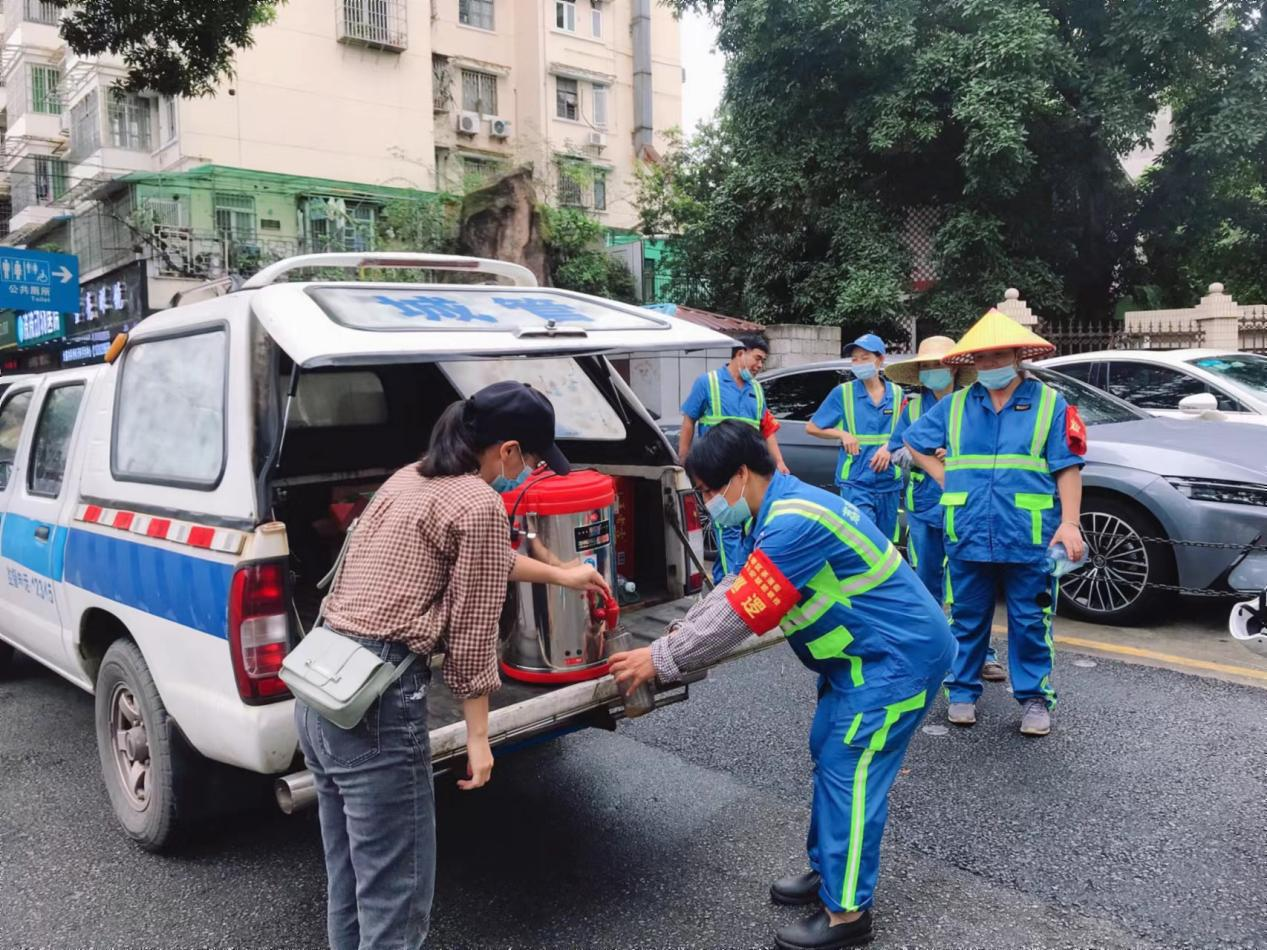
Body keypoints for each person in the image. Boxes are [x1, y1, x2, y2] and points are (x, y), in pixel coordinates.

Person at [609, 421, 955, 950]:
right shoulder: (774, 512)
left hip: (894, 659)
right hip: (856, 660)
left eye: (707, 491)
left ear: (742, 475)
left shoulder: (795, 522)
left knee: (849, 769)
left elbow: (743, 613)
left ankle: (848, 915)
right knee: (828, 753)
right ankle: (828, 871)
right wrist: (675, 636)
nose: (706, 504)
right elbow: (736, 586)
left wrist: (660, 659)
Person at [296, 380, 610, 950]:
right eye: (534, 458)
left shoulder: (409, 477)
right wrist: (480, 738)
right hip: (377, 703)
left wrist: (562, 574)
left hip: (322, 688)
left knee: (352, 884)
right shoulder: (479, 501)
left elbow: (481, 558)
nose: (532, 471)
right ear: (508, 449)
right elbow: (471, 635)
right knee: (395, 901)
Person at [903, 311, 1086, 736]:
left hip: (1031, 532)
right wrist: (943, 476)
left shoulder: (1050, 404)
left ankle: (1035, 698)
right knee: (967, 616)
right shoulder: (957, 405)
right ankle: (962, 692)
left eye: (998, 355)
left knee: (1030, 619)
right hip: (967, 530)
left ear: (1018, 355)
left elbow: (1068, 466)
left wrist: (1071, 523)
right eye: (981, 358)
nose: (989, 365)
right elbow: (913, 441)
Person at [884, 338, 1005, 684]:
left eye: (936, 365)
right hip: (924, 505)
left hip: (966, 508)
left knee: (971, 586)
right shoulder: (911, 409)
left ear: (952, 367)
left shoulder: (974, 404)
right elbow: (896, 451)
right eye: (925, 367)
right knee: (927, 583)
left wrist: (951, 457)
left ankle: (981, 655)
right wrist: (922, 455)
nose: (931, 372)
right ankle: (933, 651)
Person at [679, 331, 789, 583]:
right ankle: (731, 588)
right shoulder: (707, 383)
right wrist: (684, 459)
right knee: (727, 530)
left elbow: (767, 429)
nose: (760, 366)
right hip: (720, 474)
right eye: (758, 359)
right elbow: (688, 421)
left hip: (747, 477)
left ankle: (726, 584)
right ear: (740, 353)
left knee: (747, 531)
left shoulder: (757, 391)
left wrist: (779, 462)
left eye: (763, 361)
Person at [805, 333, 903, 543]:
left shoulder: (897, 394)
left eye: (864, 357)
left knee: (886, 544)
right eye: (854, 359)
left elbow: (906, 431)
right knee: (861, 540)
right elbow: (812, 427)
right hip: (856, 482)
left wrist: (889, 446)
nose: (858, 363)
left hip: (889, 482)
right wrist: (843, 434)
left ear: (880, 360)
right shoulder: (843, 393)